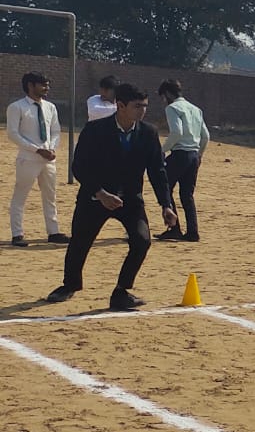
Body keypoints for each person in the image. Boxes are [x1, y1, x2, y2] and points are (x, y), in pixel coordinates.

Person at [46, 84, 179, 310]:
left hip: (130, 200)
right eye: (137, 106)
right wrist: (99, 193)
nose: (143, 111)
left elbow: (157, 171)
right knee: (80, 242)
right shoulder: (95, 130)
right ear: (120, 106)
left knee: (142, 241)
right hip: (95, 197)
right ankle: (69, 285)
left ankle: (121, 291)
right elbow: (79, 167)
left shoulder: (148, 133)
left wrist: (166, 204)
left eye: (145, 106)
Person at [8, 72, 68, 247]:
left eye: (47, 85)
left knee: (50, 196)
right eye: (43, 85)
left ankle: (53, 231)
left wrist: (51, 148)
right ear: (30, 85)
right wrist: (37, 150)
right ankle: (17, 234)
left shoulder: (50, 107)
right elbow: (13, 134)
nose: (46, 88)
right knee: (20, 195)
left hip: (48, 159)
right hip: (28, 158)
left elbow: (55, 131)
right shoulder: (17, 107)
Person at [154, 79, 208, 243]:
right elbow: (205, 136)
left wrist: (161, 150)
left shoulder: (172, 108)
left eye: (163, 97)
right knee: (187, 195)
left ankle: (174, 228)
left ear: (167, 94)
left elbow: (176, 132)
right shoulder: (196, 109)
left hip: (180, 154)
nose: (163, 101)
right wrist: (199, 155)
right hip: (193, 155)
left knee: (165, 189)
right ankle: (192, 232)